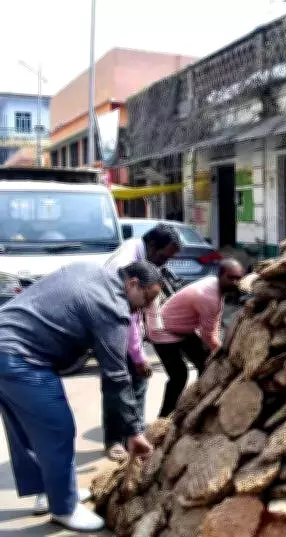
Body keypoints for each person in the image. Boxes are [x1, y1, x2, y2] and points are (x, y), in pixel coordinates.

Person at [0, 261, 160, 532]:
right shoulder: (112, 307)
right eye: (146, 299)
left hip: (6, 342)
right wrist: (134, 430)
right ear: (132, 284)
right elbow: (116, 376)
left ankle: (49, 491)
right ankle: (64, 507)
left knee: (27, 429)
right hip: (20, 357)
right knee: (58, 429)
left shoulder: (90, 270)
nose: (143, 308)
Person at [102, 222, 181, 461]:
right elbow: (131, 316)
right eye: (163, 256)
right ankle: (117, 440)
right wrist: (138, 356)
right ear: (152, 244)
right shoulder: (126, 265)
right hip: (111, 325)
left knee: (134, 381)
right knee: (120, 382)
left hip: (120, 324)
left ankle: (131, 434)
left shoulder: (138, 253)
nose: (163, 263)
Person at [145, 258, 244, 417]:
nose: (235, 282)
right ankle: (165, 417)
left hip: (183, 329)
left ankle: (198, 406)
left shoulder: (215, 286)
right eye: (231, 277)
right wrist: (226, 357)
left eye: (239, 278)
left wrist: (216, 351)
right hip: (162, 330)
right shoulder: (208, 296)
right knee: (179, 374)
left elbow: (214, 320)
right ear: (220, 275)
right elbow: (208, 335)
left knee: (206, 363)